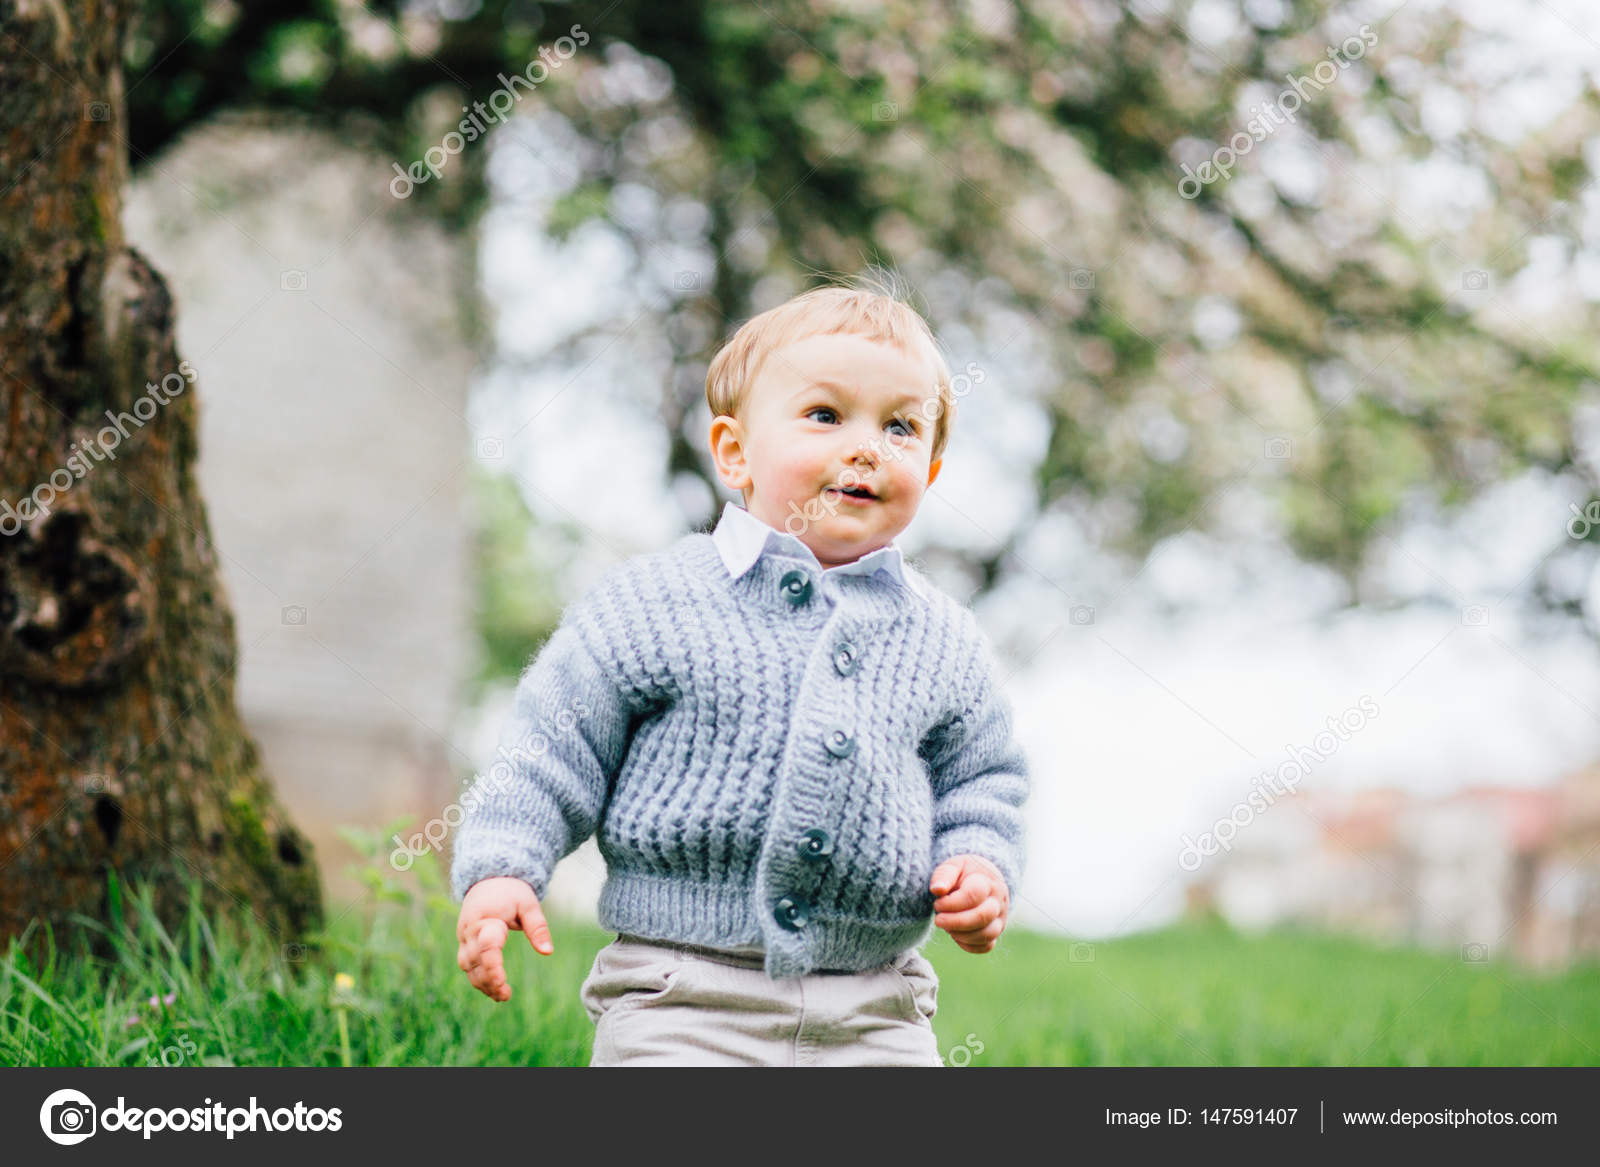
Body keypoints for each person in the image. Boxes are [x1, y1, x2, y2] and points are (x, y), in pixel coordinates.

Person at [451, 278, 1030, 1065]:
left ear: (927, 472)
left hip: (877, 1002)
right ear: (734, 452)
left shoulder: (945, 639)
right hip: (679, 990)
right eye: (825, 415)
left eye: (901, 427)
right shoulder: (654, 601)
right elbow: (553, 745)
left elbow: (983, 777)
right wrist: (502, 867)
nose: (866, 446)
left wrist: (978, 863)